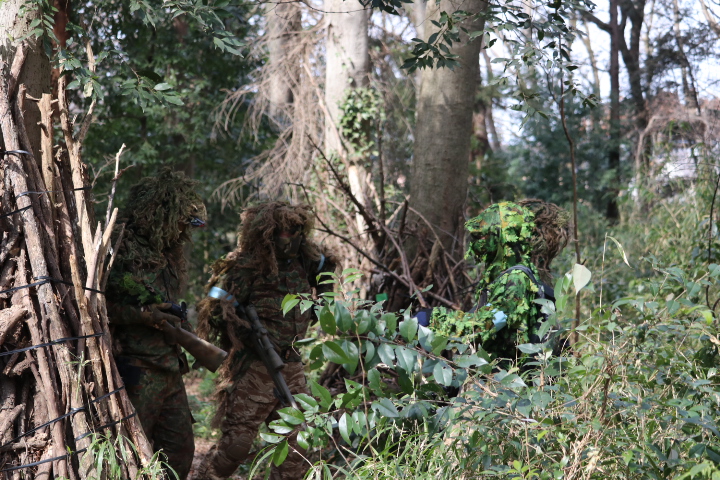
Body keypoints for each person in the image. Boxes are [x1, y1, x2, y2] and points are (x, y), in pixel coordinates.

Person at [194, 202, 336, 480]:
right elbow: (215, 304)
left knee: (296, 447)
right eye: (284, 232)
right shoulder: (248, 265)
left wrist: (323, 297)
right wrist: (244, 331)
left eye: (295, 232)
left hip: (291, 366)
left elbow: (325, 272)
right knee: (236, 446)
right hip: (254, 367)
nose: (290, 238)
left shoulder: (307, 260)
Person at [106, 169, 206, 480]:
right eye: (180, 222)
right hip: (137, 367)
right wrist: (145, 315)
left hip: (169, 366)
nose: (183, 231)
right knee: (132, 454)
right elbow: (97, 306)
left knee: (179, 452)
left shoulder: (168, 251)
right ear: (159, 215)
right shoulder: (120, 246)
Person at [428, 199, 570, 364]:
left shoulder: (516, 279)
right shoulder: (506, 276)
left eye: (485, 234)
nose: (477, 241)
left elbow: (483, 327)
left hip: (508, 377)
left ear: (505, 238)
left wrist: (432, 319)